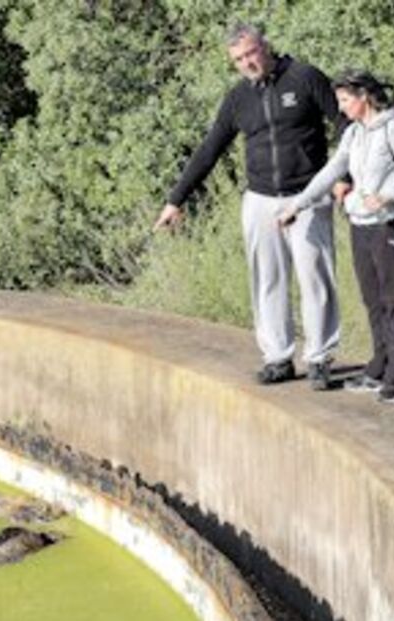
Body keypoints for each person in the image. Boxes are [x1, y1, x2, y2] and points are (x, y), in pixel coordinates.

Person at [153, 21, 344, 390]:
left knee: (315, 277)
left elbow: (344, 122)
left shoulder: (305, 77)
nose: (247, 63)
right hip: (261, 199)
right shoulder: (238, 98)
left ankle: (319, 358)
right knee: (267, 280)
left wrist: (341, 176)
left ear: (266, 47)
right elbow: (210, 149)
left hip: (307, 195)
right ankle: (278, 357)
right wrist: (175, 200)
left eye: (251, 53)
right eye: (239, 59)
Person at [278, 70, 394, 403]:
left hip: (389, 224)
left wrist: (392, 196)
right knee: (373, 299)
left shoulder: (392, 127)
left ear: (364, 97)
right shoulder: (354, 133)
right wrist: (297, 205)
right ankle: (381, 363)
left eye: (345, 100)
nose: (341, 108)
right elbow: (332, 170)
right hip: (360, 224)